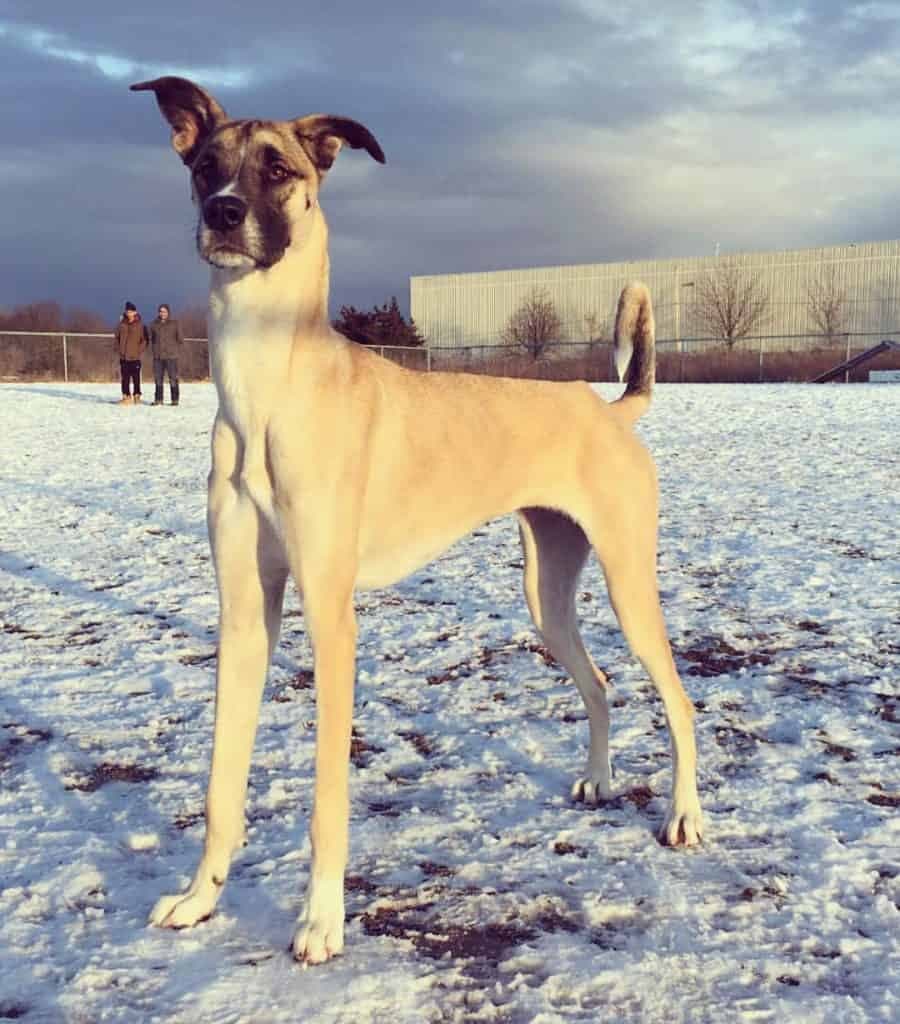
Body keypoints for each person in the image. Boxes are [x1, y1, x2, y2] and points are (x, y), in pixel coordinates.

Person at [149, 303, 184, 406]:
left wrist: (174, 348)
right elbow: (151, 338)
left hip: (171, 356)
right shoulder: (154, 324)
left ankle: (175, 399)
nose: (162, 313)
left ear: (168, 312)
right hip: (158, 356)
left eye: (164, 311)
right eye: (160, 311)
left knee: (173, 378)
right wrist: (154, 348)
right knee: (158, 379)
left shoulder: (174, 323)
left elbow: (180, 339)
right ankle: (158, 399)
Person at [114, 301, 148, 404]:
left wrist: (138, 351)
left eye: (131, 311)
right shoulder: (121, 324)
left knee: (136, 378)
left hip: (135, 357)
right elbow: (116, 338)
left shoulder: (141, 325)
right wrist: (119, 349)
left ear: (135, 312)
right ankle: (126, 397)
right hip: (124, 356)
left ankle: (137, 396)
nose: (129, 313)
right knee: (125, 378)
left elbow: (145, 340)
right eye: (127, 311)